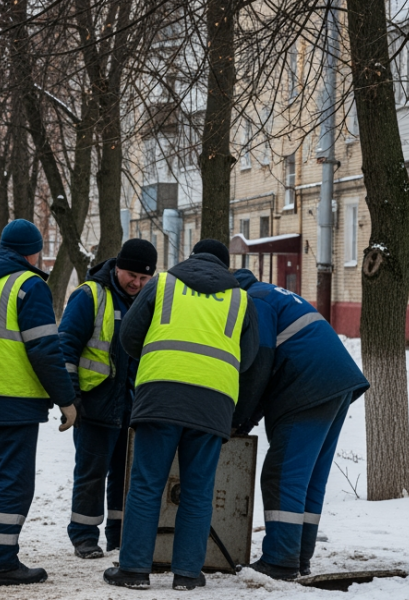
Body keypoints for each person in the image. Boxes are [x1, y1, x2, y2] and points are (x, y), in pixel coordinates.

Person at [104, 239, 259, 591]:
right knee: (198, 490)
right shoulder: (240, 298)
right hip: (213, 402)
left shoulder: (163, 283)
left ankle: (134, 570)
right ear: (225, 265)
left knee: (145, 485)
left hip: (159, 395)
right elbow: (248, 359)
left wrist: (155, 355)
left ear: (191, 258)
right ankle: (188, 574)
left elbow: (128, 335)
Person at [0, 219, 78, 586]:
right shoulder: (29, 285)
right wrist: (66, 400)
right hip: (16, 400)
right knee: (12, 482)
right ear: (33, 252)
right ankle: (1, 563)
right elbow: (45, 351)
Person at [231, 268, 370, 580]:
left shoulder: (255, 302)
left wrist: (239, 419)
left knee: (282, 474)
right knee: (308, 478)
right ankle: (298, 556)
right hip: (336, 383)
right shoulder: (273, 294)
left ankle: (280, 560)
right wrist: (249, 418)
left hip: (307, 386)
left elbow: (260, 364)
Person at [59, 239, 157, 559]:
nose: (137, 283)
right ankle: (84, 536)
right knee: (91, 474)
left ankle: (118, 536)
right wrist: (71, 397)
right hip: (96, 405)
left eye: (144, 278)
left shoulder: (148, 300)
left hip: (133, 406)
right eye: (131, 275)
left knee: (124, 477)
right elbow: (66, 348)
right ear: (117, 267)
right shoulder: (89, 296)